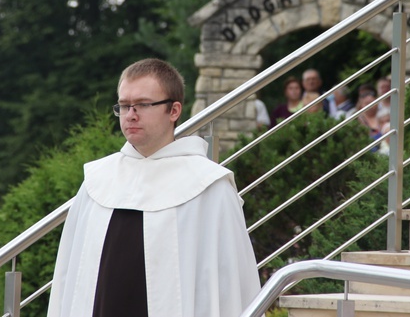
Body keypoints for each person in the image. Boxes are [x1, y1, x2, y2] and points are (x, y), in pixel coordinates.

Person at [47, 58, 261, 317]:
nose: (131, 114)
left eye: (143, 104)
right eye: (124, 105)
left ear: (173, 111)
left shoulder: (209, 186)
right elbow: (70, 277)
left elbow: (230, 284)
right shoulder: (97, 181)